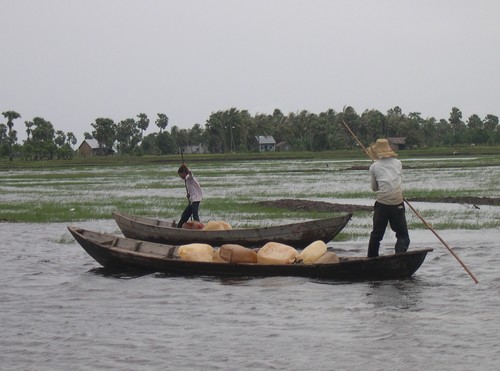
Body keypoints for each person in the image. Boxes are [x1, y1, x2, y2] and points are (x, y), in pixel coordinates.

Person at [366, 139, 410, 257]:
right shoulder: (398, 163)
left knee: (376, 235)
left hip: (382, 205)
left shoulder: (374, 167)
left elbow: (375, 188)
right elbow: (398, 181)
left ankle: (371, 260)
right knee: (403, 236)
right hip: (397, 204)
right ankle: (399, 257)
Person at [177, 164, 203, 228]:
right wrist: (189, 194)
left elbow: (191, 174)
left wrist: (186, 169)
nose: (180, 177)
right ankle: (179, 227)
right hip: (192, 199)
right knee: (185, 214)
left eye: (180, 175)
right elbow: (192, 189)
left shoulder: (189, 177)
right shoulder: (187, 180)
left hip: (196, 199)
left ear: (183, 173)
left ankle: (198, 228)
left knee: (195, 215)